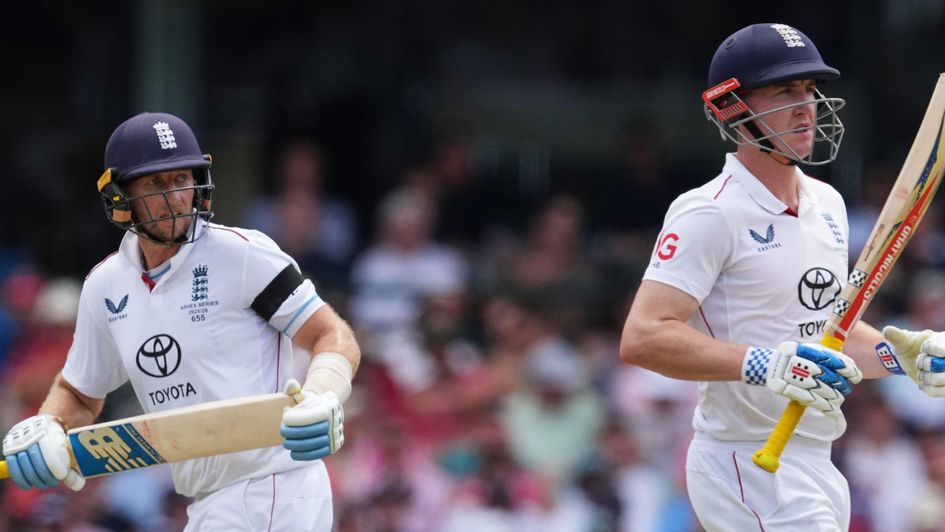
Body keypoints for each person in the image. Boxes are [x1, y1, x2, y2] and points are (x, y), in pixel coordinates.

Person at [619, 23, 945, 531]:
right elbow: (643, 337)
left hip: (816, 459)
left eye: (810, 89)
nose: (806, 106)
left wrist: (897, 355)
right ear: (732, 108)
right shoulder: (709, 211)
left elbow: (824, 334)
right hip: (746, 459)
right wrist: (764, 364)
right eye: (784, 91)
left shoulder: (827, 202)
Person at [1, 112, 361, 531]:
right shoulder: (105, 286)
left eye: (181, 179)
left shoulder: (242, 255)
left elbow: (332, 334)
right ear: (121, 195)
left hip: (275, 485)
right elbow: (80, 393)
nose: (174, 196)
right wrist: (48, 424)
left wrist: (321, 394)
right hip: (206, 500)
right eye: (155, 183)